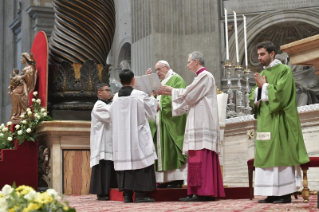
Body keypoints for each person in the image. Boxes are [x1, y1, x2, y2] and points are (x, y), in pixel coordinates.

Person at [158, 51, 225, 201]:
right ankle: (195, 191)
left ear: (196, 61)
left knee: (201, 157)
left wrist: (172, 91)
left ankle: (204, 192)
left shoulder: (205, 76)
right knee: (195, 158)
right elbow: (189, 98)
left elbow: (190, 95)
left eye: (188, 62)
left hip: (203, 122)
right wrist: (173, 94)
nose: (187, 65)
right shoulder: (199, 77)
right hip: (196, 120)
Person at [248, 41, 309, 204]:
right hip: (265, 121)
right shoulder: (263, 72)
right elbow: (254, 93)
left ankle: (284, 193)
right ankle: (271, 193)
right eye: (258, 54)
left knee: (279, 154)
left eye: (262, 54)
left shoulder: (284, 70)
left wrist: (264, 85)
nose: (259, 58)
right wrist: (260, 88)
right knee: (266, 156)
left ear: (272, 54)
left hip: (279, 120)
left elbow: (282, 94)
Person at [110, 69, 158, 203]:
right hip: (137, 135)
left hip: (121, 137)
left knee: (125, 163)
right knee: (141, 160)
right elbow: (153, 109)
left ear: (120, 81)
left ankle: (127, 195)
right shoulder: (139, 95)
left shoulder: (115, 97)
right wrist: (152, 95)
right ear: (133, 80)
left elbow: (111, 115)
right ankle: (141, 195)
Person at [146, 61, 187, 188]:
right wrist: (148, 81)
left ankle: (176, 179)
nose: (157, 72)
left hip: (170, 120)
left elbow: (181, 98)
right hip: (159, 120)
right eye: (156, 70)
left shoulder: (176, 79)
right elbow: (151, 95)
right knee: (159, 149)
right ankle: (162, 180)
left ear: (167, 67)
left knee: (171, 148)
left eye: (159, 69)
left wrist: (161, 105)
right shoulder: (158, 82)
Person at [89, 83, 117, 201]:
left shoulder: (109, 104)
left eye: (110, 90)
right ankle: (102, 192)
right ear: (99, 92)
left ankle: (111, 190)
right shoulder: (99, 105)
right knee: (103, 166)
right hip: (102, 142)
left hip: (110, 140)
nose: (109, 92)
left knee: (110, 166)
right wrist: (117, 101)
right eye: (106, 90)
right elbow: (112, 115)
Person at [10, 53, 37, 123]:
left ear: (25, 59)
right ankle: (16, 114)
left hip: (26, 86)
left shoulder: (30, 67)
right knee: (13, 92)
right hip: (22, 84)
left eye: (21, 58)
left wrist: (21, 77)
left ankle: (20, 113)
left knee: (16, 93)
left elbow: (29, 76)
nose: (20, 60)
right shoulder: (26, 68)